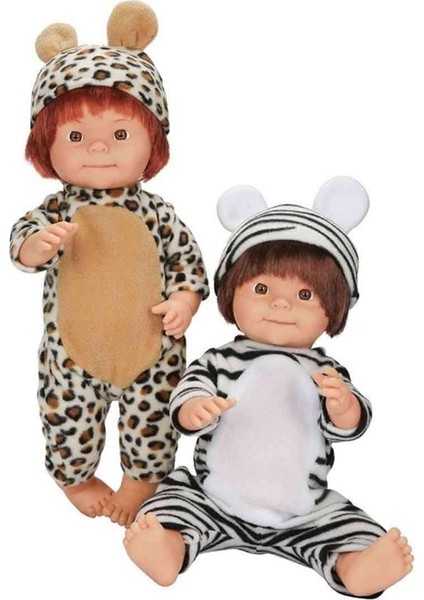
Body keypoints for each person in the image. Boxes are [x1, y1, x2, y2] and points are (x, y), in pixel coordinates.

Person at [123, 179, 413, 597]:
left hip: (303, 512)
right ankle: (170, 547)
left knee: (349, 526)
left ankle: (355, 566)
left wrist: (343, 404)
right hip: (213, 499)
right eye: (262, 289)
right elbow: (186, 394)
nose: (281, 304)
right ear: (230, 292)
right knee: (168, 502)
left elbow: (352, 424)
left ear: (334, 309)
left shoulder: (326, 371)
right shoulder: (221, 359)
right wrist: (196, 408)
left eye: (305, 294)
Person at [9, 1, 209, 527]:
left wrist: (185, 301)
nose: (98, 149)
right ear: (45, 148)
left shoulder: (157, 213)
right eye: (76, 137)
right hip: (72, 349)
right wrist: (37, 247)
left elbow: (188, 262)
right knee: (65, 413)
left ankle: (143, 478)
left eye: (120, 135)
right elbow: (21, 243)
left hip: (151, 345)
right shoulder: (57, 209)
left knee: (153, 415)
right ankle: (75, 476)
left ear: (154, 142)